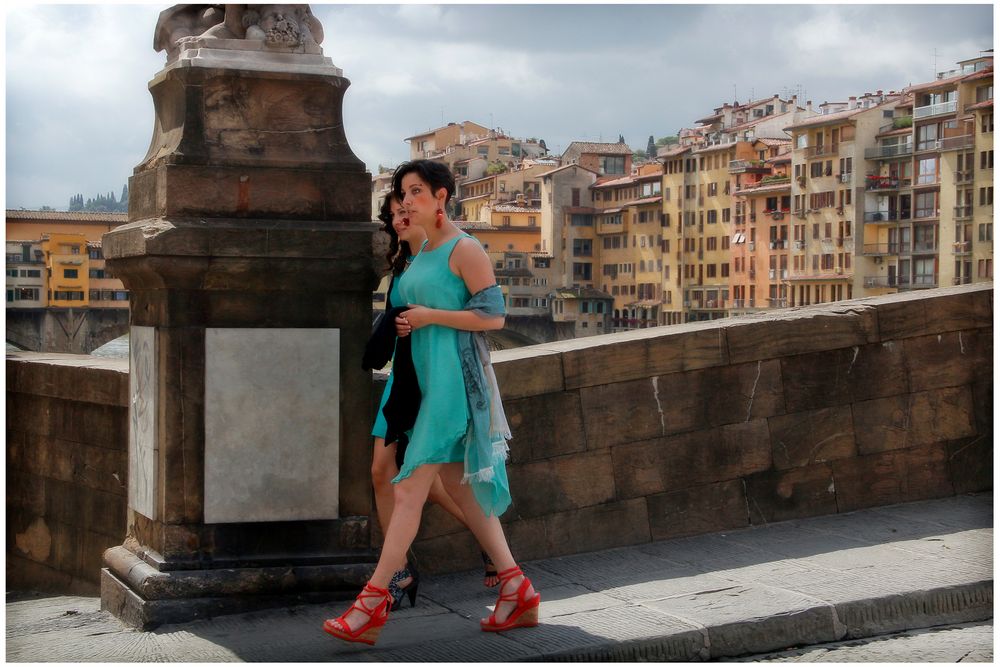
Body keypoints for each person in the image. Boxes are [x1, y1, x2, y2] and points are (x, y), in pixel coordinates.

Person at [324, 161, 539, 645]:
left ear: (442, 196)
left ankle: (373, 601)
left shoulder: (465, 249)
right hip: (416, 378)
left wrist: (428, 316)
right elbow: (406, 307)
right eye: (402, 192)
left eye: (416, 192)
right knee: (459, 491)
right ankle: (515, 586)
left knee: (408, 487)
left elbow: (494, 317)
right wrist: (409, 317)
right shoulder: (420, 251)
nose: (406, 200)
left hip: (451, 382)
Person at [368, 194, 498, 611]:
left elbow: (489, 314)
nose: (399, 219)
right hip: (403, 378)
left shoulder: (445, 254)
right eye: (393, 215)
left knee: (419, 480)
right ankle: (402, 570)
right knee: (388, 473)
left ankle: (393, 577)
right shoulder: (405, 264)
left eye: (405, 212)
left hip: (433, 380)